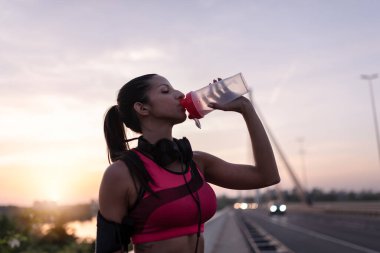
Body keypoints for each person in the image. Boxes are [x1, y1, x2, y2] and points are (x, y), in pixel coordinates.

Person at [96, 74, 280, 253]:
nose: (180, 94)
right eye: (166, 91)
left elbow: (267, 176)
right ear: (142, 108)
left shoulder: (196, 162)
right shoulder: (122, 174)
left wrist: (245, 108)